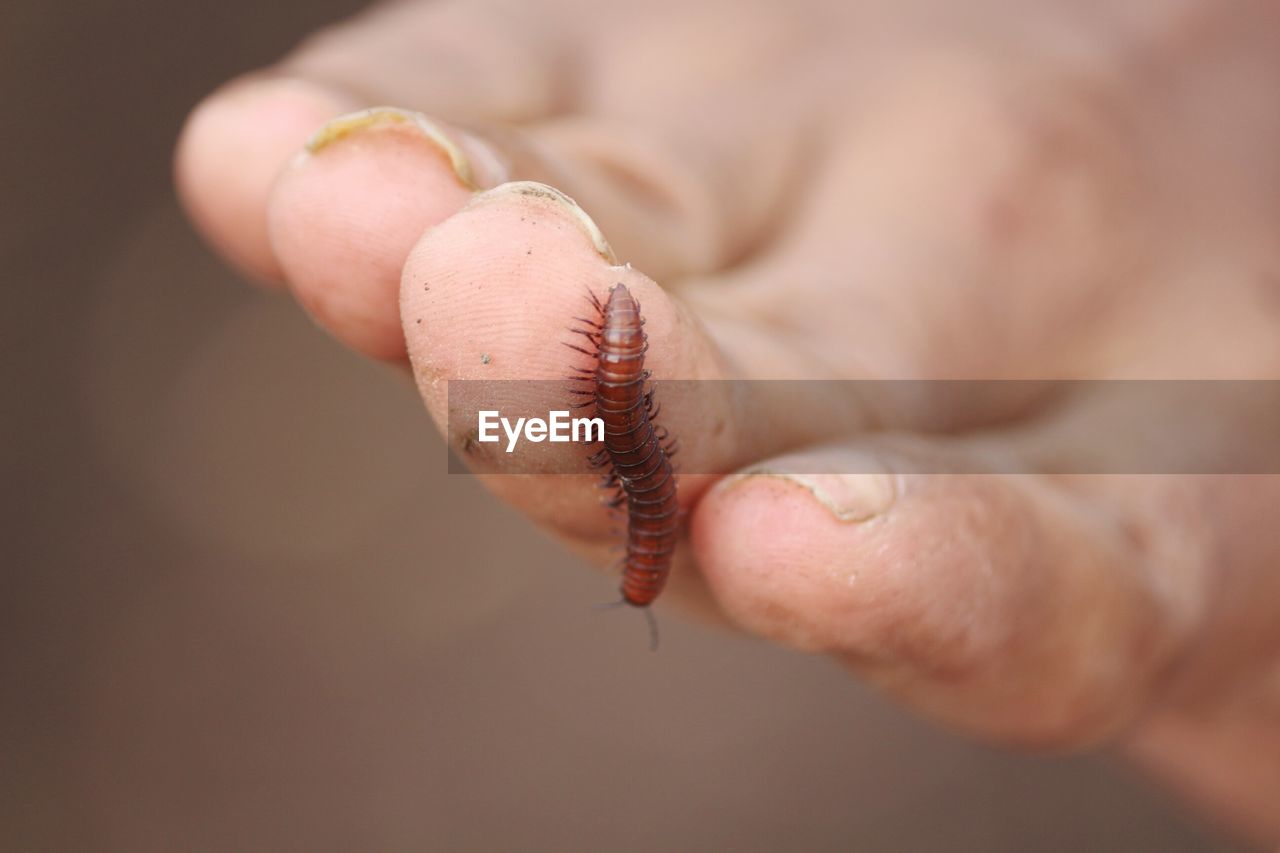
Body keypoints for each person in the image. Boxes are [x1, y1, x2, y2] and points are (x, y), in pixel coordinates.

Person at [174, 0, 1280, 842]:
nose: (639, 561)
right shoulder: (637, 482)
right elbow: (627, 451)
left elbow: (624, 447)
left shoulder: (633, 472)